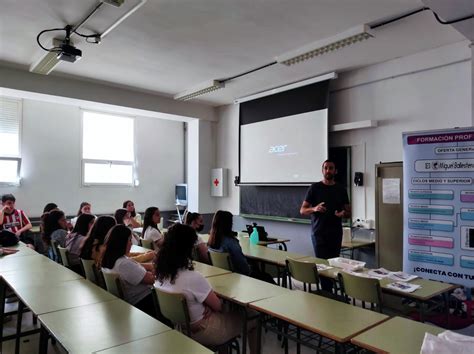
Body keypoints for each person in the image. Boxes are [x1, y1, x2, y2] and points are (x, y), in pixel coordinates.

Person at [155, 223, 257, 352]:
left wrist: (206, 306)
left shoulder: (160, 275)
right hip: (204, 331)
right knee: (253, 316)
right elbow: (219, 306)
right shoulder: (193, 277)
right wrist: (210, 306)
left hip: (180, 327)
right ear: (187, 248)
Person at [100, 225, 169, 323]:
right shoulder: (124, 263)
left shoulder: (109, 260)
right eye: (129, 240)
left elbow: (136, 266)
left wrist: (150, 267)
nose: (131, 243)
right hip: (145, 302)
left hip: (131, 300)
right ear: (121, 242)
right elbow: (153, 279)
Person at [300, 160, 350, 291]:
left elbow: (348, 212)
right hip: (319, 233)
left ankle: (331, 291)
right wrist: (315, 208)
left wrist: (343, 213)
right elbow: (303, 210)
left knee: (334, 264)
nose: (328, 170)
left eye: (331, 168)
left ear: (335, 171)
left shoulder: (341, 189)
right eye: (326, 168)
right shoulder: (315, 188)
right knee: (322, 265)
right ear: (322, 171)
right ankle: (327, 292)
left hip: (335, 233)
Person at [208, 210, 275, 283]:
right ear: (228, 225)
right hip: (238, 278)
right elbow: (245, 269)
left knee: (254, 265)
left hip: (222, 276)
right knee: (267, 277)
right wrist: (250, 268)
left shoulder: (211, 241)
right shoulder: (231, 243)